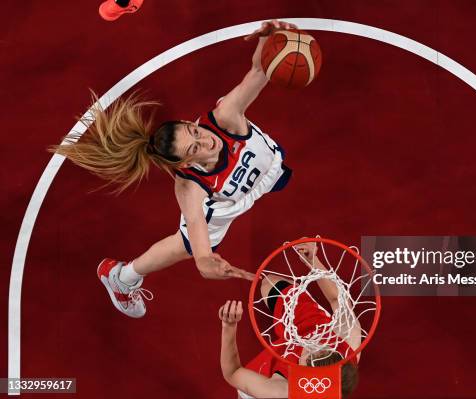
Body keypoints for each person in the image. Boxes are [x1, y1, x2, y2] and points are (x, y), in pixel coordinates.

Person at [51, 20, 297, 318]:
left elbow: (258, 73)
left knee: (275, 175)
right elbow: (197, 230)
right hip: (223, 205)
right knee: (186, 246)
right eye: (194, 149)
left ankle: (123, 276)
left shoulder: (225, 117)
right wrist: (206, 261)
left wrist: (269, 39)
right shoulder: (189, 187)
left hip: (265, 169)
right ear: (184, 164)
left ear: (191, 123)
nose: (205, 141)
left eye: (194, 133)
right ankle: (122, 276)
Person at [218, 242, 361, 398]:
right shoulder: (348, 341)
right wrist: (313, 260)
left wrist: (228, 327)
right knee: (269, 283)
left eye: (309, 353)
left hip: (275, 382)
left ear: (302, 375)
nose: (312, 344)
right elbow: (336, 299)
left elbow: (232, 373)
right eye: (323, 346)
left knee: (245, 391)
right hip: (307, 328)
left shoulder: (279, 391)